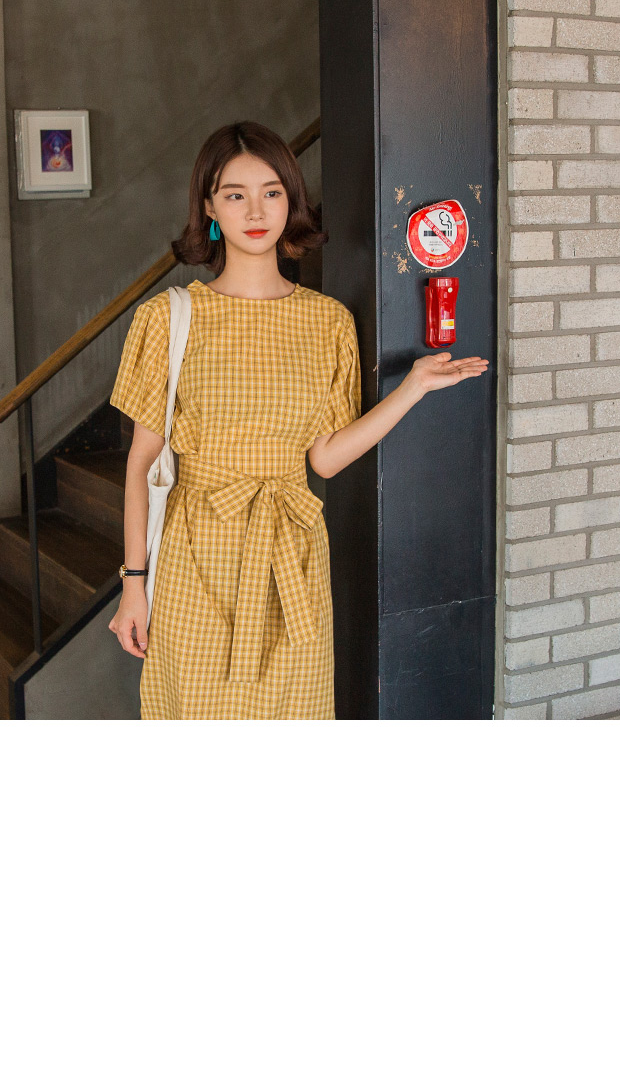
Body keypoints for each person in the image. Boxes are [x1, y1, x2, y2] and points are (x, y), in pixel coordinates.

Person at [111, 120, 486, 723]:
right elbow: (141, 462)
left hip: (295, 557)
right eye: (235, 194)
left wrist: (411, 389)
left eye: (272, 192)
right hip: (196, 559)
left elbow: (325, 459)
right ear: (208, 206)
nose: (256, 211)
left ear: (292, 200)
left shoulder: (328, 321)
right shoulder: (169, 318)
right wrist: (134, 584)